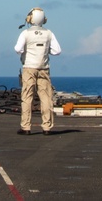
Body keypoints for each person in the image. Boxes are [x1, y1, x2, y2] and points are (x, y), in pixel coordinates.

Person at [14, 7, 62, 135]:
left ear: (29, 19)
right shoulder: (49, 33)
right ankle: (47, 127)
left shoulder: (25, 33)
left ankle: (26, 127)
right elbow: (57, 51)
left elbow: (17, 49)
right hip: (44, 68)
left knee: (27, 97)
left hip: (29, 67)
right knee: (46, 98)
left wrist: (27, 50)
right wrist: (45, 51)